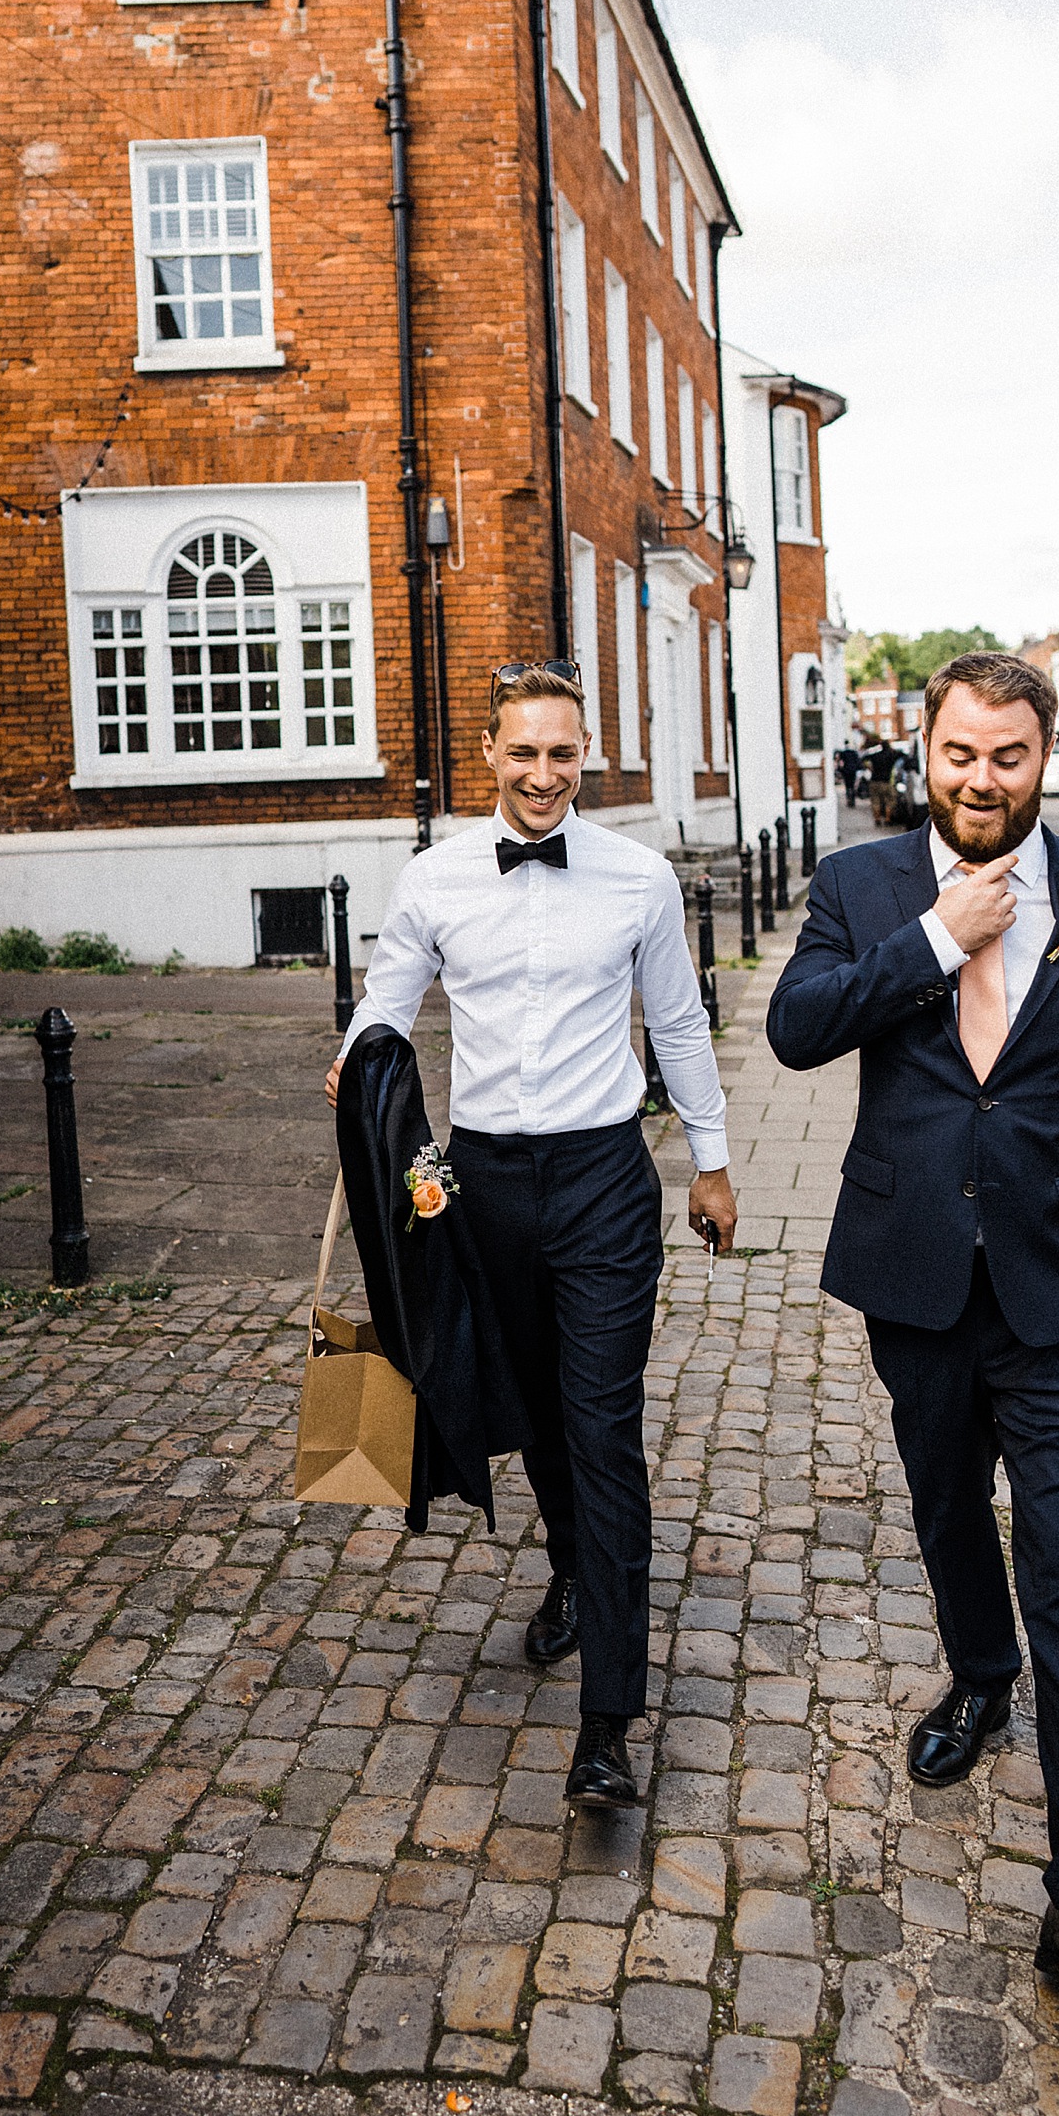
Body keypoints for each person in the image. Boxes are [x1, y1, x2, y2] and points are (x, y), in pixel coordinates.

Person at [766, 649, 1059, 2008]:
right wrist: (933, 942)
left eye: (1008, 756)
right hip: (915, 1276)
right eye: (960, 754)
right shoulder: (861, 887)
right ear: (926, 750)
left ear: (1041, 757)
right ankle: (980, 1674)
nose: (983, 778)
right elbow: (797, 1029)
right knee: (947, 1508)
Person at [326, 663, 738, 1809]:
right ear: (488, 755)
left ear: (584, 755)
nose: (543, 776)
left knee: (601, 1428)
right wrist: (359, 1055)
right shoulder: (434, 878)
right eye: (523, 754)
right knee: (533, 1413)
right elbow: (387, 999)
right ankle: (567, 1569)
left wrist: (708, 1162)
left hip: (607, 1178)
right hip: (482, 1186)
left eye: (563, 755)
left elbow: (677, 1021)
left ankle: (607, 1726)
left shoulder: (639, 878)